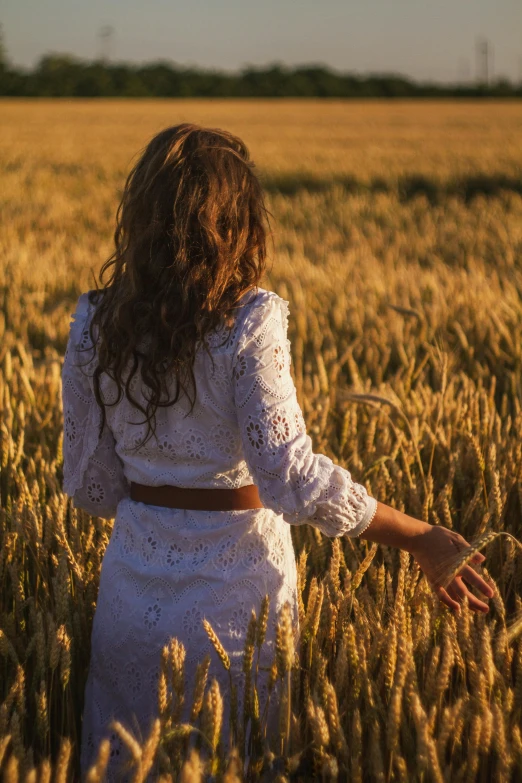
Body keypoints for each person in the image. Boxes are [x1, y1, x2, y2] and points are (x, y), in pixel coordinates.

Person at [61, 123, 494, 781]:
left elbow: (91, 488)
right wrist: (423, 536)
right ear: (239, 221)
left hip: (130, 600)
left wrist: (163, 481)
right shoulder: (250, 318)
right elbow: (291, 478)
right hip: (238, 608)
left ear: (140, 214)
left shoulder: (94, 320)